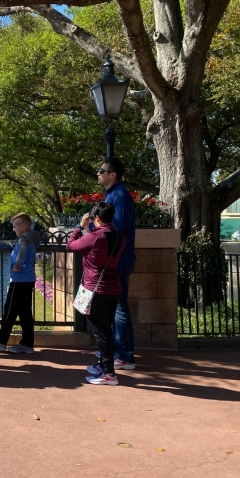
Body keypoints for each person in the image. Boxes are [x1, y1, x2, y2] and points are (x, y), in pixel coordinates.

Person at [66, 202, 125, 386]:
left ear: (96, 218)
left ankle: (109, 373)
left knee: (102, 333)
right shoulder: (119, 236)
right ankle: (103, 365)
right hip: (114, 288)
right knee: (106, 329)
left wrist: (79, 227)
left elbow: (71, 246)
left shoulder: (95, 237)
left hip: (96, 290)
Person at [0, 213, 41, 354]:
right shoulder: (29, 237)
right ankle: (27, 344)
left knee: (9, 311)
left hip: (20, 280)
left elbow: (22, 249)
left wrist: (18, 265)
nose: (13, 229)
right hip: (27, 280)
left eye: (15, 227)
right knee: (25, 313)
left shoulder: (24, 238)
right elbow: (10, 243)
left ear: (23, 226)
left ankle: (0, 342)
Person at [98, 157, 137, 370]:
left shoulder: (120, 194)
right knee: (113, 307)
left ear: (112, 174)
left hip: (119, 259)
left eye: (101, 170)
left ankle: (125, 356)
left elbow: (118, 226)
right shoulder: (112, 194)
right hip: (114, 259)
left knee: (120, 307)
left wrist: (95, 228)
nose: (98, 173)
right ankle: (115, 351)